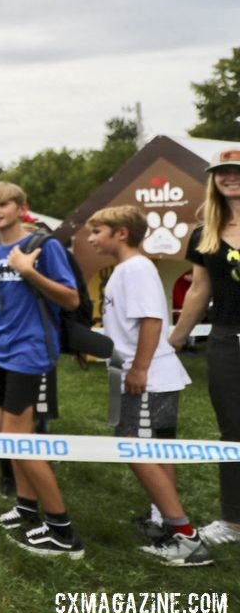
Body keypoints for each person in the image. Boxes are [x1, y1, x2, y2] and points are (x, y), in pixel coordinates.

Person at [86, 205, 211, 566]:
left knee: (134, 450)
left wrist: (138, 369)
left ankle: (186, 537)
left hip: (149, 378)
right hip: (152, 376)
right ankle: (165, 523)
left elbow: (152, 321)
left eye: (97, 231)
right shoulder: (129, 269)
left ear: (121, 233)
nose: (92, 238)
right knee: (158, 451)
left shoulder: (135, 269)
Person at [0, 181, 84, 559]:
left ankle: (63, 531)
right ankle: (26, 507)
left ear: (22, 207)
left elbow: (71, 299)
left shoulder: (43, 246)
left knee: (21, 441)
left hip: (30, 353)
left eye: (3, 205)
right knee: (8, 436)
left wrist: (29, 272)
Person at [169, 148, 240, 547]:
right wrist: (175, 339)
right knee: (233, 429)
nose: (230, 177)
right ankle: (234, 521)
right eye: (222, 172)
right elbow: (199, 290)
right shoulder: (203, 232)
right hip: (229, 337)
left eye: (237, 171)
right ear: (213, 179)